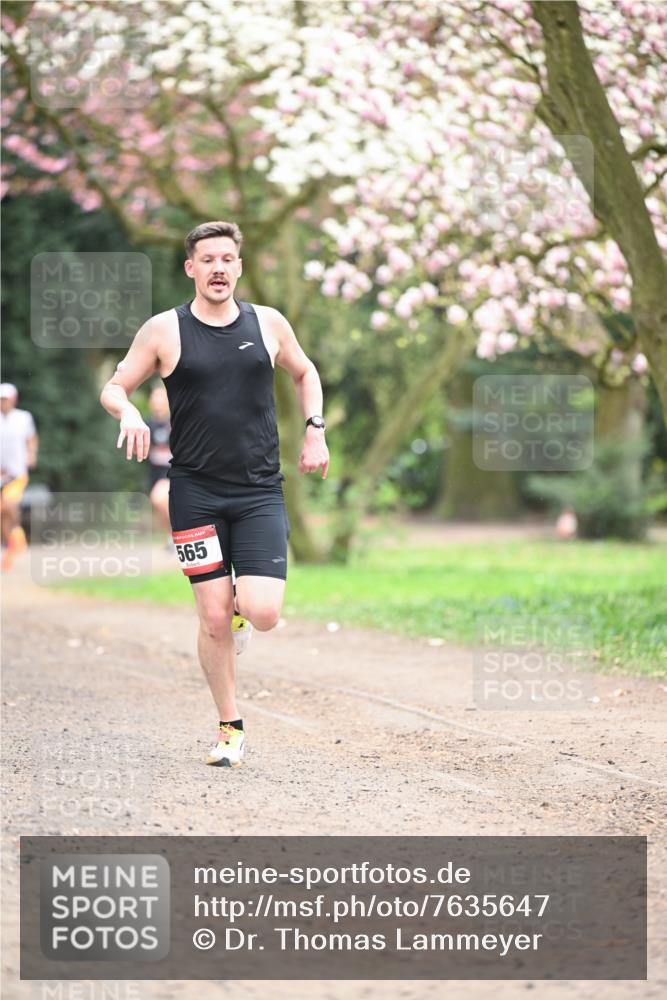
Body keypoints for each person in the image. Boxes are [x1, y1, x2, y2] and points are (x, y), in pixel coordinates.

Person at [100, 221, 329, 767]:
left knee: (263, 612)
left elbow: (305, 371)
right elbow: (115, 385)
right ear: (191, 269)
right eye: (208, 260)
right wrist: (128, 409)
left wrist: (315, 428)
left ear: (240, 267)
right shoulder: (164, 331)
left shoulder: (268, 323)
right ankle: (230, 727)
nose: (219, 268)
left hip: (258, 493)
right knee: (211, 618)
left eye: (228, 258)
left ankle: (243, 614)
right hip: (194, 493)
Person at [0, 383, 38, 571]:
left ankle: (17, 534)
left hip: (17, 473)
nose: (2, 402)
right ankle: (10, 550)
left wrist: (31, 455)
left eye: (5, 399)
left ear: (13, 399)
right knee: (3, 516)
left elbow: (31, 438)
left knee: (9, 503)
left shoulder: (23, 418)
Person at [145, 384, 173, 541]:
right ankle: (172, 537)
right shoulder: (147, 425)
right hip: (155, 473)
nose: (157, 401)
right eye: (154, 398)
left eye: (160, 398)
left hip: (171, 473)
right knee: (158, 505)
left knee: (158, 498)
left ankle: (178, 533)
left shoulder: (175, 423)